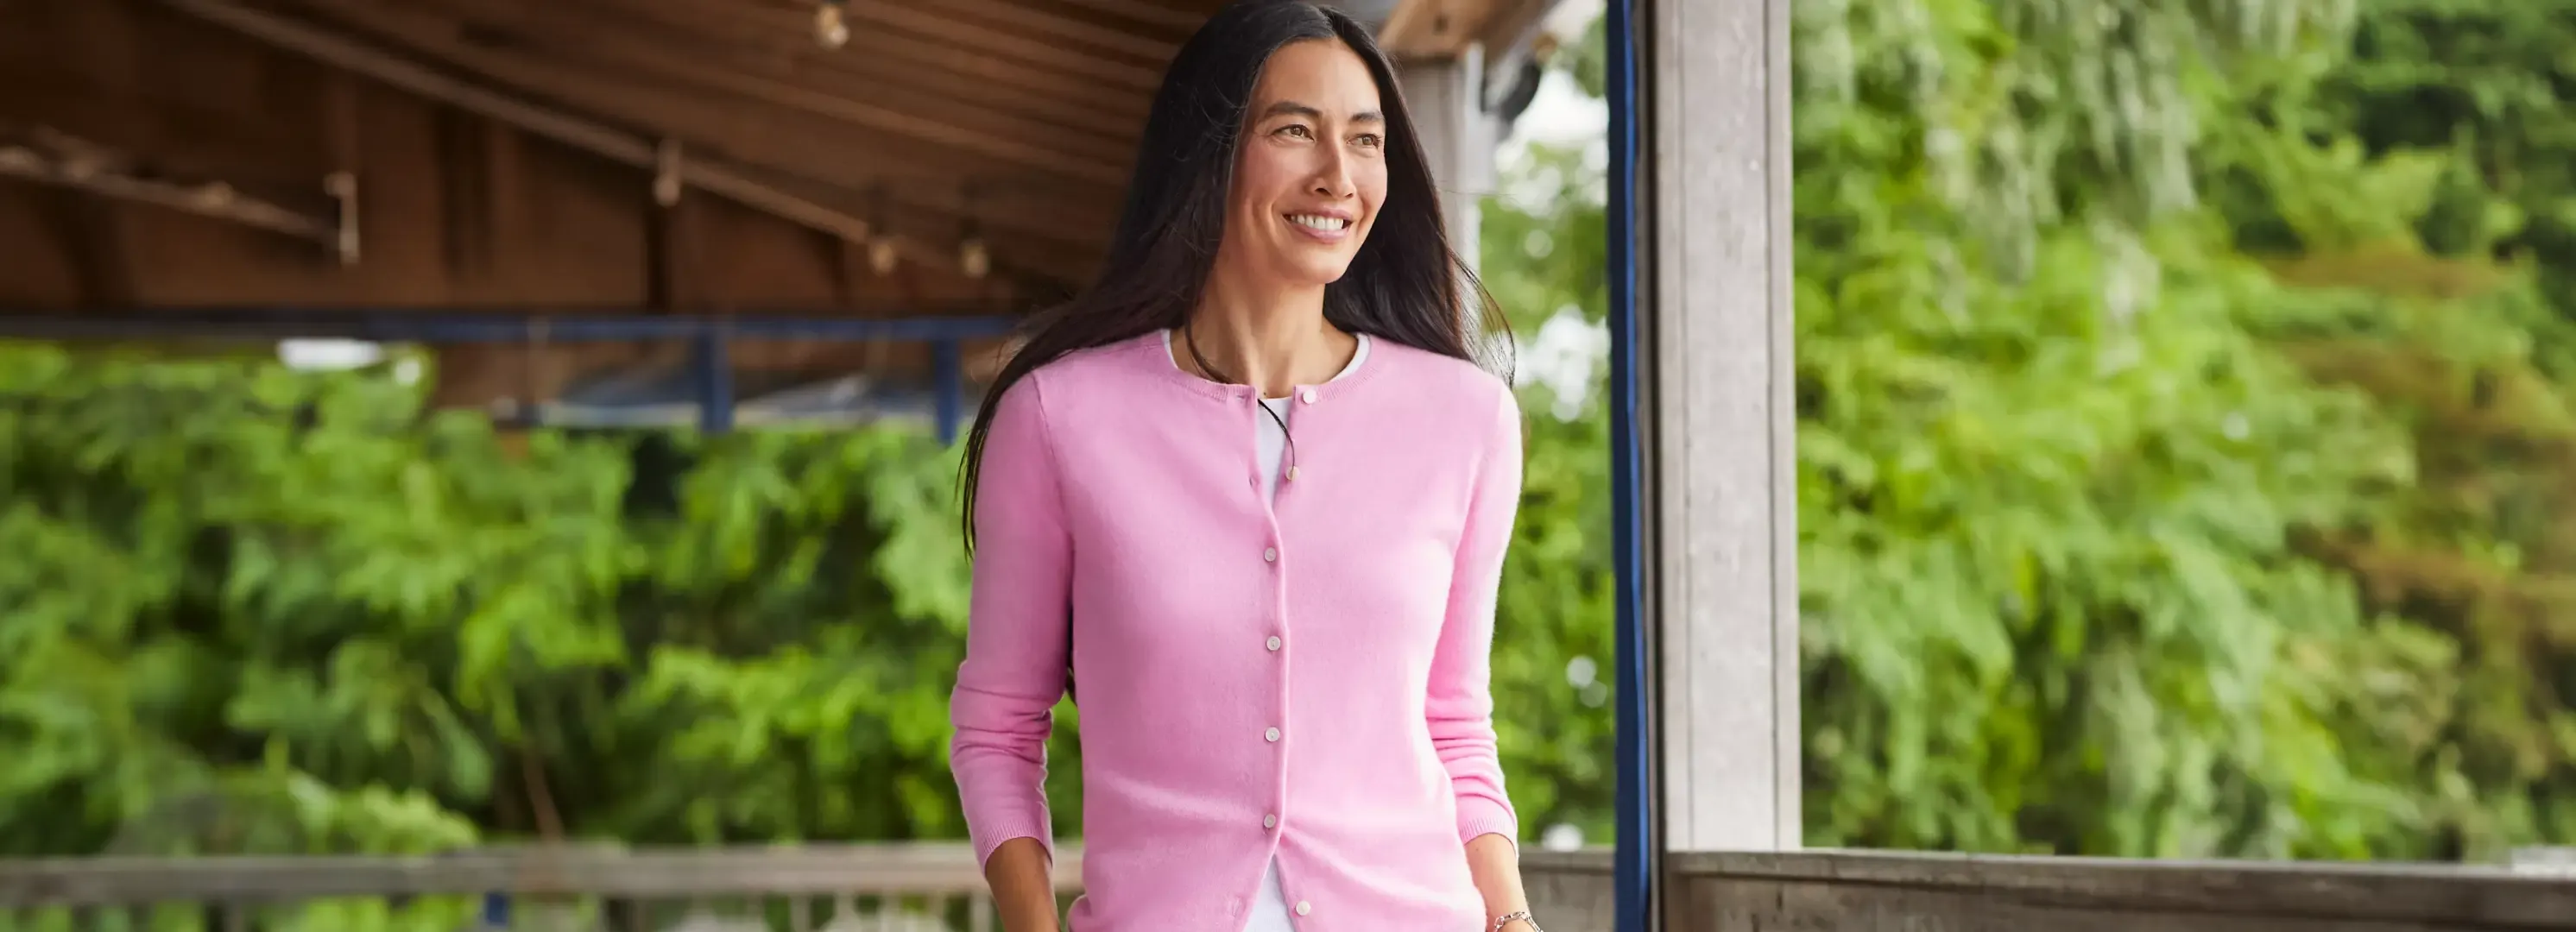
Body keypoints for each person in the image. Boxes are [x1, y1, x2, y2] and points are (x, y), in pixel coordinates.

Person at [946, 2, 1537, 929]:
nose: (1337, 176)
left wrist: (1510, 919)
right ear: (1210, 152)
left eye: (1365, 140)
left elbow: (1455, 724)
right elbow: (996, 725)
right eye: (1294, 131)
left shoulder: (1466, 422)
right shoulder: (1060, 419)